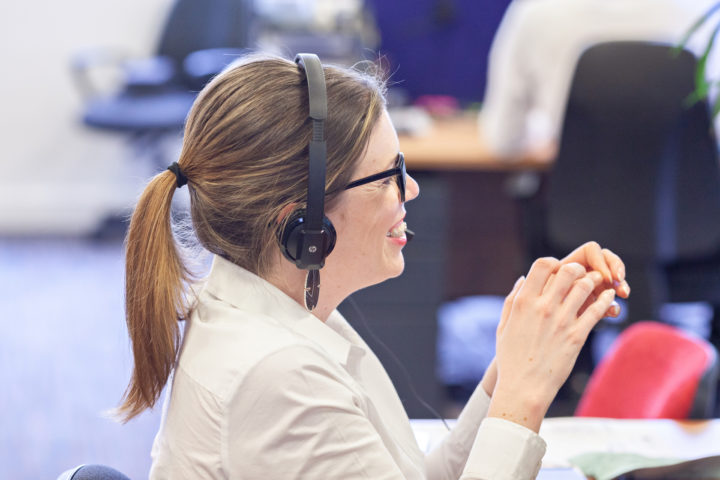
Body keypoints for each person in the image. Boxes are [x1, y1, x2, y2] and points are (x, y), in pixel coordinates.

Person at [119, 52, 630, 479]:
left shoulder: (289, 309)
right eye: (388, 175)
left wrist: (511, 366)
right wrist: (526, 393)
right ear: (303, 224)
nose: (411, 190)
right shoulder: (277, 377)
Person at [479, 0, 718, 157]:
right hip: (694, 217)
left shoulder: (533, 14)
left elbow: (504, 140)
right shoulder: (703, 13)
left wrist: (543, 128)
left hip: (575, 215)